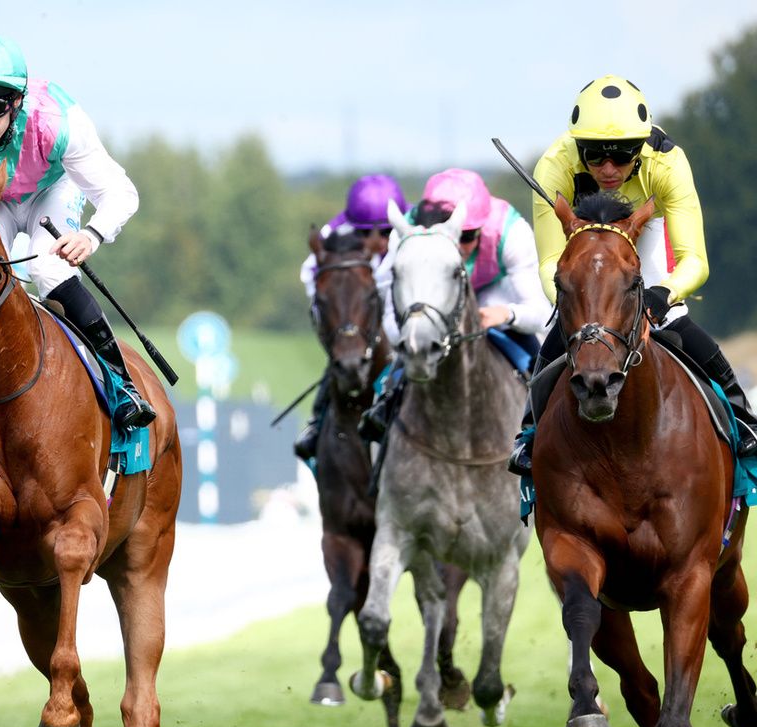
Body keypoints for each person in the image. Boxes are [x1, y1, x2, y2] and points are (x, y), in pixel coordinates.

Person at [0, 31, 151, 436]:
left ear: (16, 100)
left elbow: (120, 192)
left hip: (50, 192)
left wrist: (92, 235)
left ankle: (120, 384)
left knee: (47, 267)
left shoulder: (58, 121)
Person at [508, 74, 757, 475]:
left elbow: (695, 259)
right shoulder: (554, 165)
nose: (608, 168)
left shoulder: (668, 162)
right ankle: (529, 432)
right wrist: (573, 302)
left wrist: (664, 293)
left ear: (640, 151)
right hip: (584, 242)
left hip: (645, 230)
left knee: (673, 320)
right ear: (578, 148)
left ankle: (744, 419)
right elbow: (549, 261)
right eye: (595, 157)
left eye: (622, 158)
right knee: (563, 326)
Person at [358, 168, 551, 442]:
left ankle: (541, 429)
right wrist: (410, 337)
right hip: (432, 301)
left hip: (494, 296)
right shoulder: (408, 231)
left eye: (467, 235)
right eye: (451, 234)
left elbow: (542, 313)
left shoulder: (512, 232)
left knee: (540, 361)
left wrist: (507, 314)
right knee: (393, 372)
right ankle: (382, 414)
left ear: (483, 227)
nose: (458, 245)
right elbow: (390, 309)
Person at [292, 174, 406, 462]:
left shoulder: (411, 230)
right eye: (366, 233)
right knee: (344, 355)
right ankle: (318, 422)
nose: (378, 241)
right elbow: (311, 276)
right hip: (355, 317)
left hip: (403, 304)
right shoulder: (333, 235)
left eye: (386, 233)